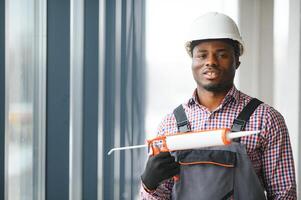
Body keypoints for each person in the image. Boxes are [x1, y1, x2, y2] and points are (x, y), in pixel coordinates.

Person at [140, 12, 297, 199]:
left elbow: (284, 195)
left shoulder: (266, 119)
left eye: (221, 54)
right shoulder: (170, 124)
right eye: (202, 55)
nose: (211, 62)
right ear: (192, 62)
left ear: (237, 60)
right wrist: (148, 185)